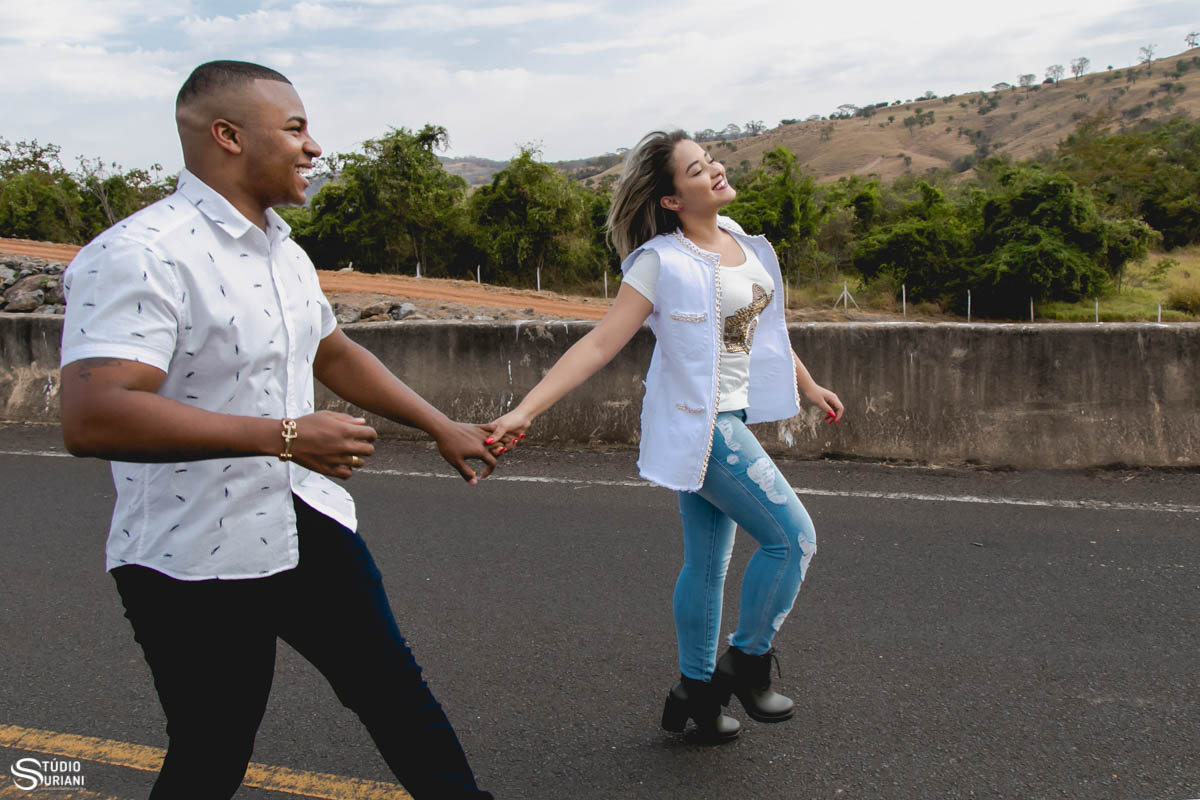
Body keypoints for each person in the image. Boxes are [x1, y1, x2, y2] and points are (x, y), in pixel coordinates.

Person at [59, 61, 498, 798]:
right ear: (228, 136)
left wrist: (439, 424)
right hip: (189, 553)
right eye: (295, 128)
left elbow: (331, 349)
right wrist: (286, 435)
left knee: (398, 698)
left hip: (305, 521)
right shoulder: (141, 253)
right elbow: (94, 412)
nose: (314, 146)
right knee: (213, 748)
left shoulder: (283, 250)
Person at [487, 130, 844, 743]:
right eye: (697, 169)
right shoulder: (661, 260)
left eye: (711, 161)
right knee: (794, 539)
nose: (714, 171)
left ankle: (696, 694)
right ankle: (747, 660)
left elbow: (763, 332)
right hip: (703, 427)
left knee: (708, 564)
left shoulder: (741, 242)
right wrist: (526, 410)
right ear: (672, 200)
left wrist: (807, 384)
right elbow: (601, 342)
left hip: (731, 416)